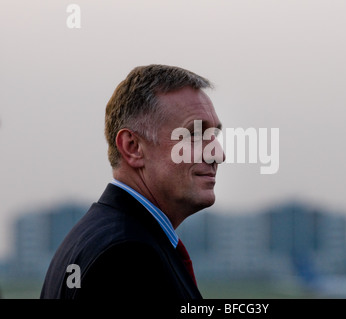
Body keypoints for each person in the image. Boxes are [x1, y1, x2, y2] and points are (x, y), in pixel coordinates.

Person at [40, 64, 224, 299]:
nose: (218, 154)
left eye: (214, 136)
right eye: (195, 134)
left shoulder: (100, 236)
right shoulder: (127, 255)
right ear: (133, 147)